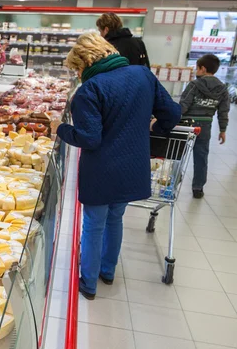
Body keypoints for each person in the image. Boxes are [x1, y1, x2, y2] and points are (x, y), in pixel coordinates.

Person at [54, 33, 180, 300]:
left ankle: (88, 283)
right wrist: (155, 128)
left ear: (86, 61)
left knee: (94, 224)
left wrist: (61, 129)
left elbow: (89, 138)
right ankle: (107, 272)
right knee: (115, 219)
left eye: (77, 67)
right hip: (133, 166)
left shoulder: (88, 90)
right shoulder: (142, 75)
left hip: (101, 170)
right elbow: (173, 112)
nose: (78, 73)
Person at [179, 54, 230, 199]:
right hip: (205, 125)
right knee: (201, 156)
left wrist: (172, 119)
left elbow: (183, 105)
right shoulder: (222, 89)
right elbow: (223, 111)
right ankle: (198, 188)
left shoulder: (194, 85)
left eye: (197, 68)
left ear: (203, 68)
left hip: (187, 125)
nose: (196, 71)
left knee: (178, 152)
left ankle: (173, 180)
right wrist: (223, 130)